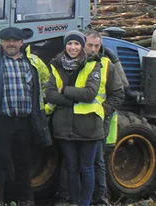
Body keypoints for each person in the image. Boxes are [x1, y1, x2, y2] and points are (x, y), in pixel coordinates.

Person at [45, 31, 112, 206]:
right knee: (72, 168)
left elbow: (90, 94)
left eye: (76, 44)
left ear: (82, 46)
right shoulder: (56, 65)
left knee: (87, 167)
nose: (73, 47)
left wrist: (64, 91)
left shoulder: (93, 64)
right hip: (65, 126)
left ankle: (85, 203)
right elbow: (50, 94)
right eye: (69, 44)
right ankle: (74, 201)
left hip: (89, 126)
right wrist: (74, 97)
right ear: (65, 46)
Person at [0, 27, 50, 206]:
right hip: (3, 122)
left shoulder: (34, 63)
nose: (11, 44)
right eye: (7, 40)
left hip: (26, 122)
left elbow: (47, 85)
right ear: (1, 42)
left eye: (15, 40)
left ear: (22, 43)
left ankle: (26, 200)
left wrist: (44, 109)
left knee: (24, 163)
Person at [83, 30, 125, 206]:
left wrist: (103, 111)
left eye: (96, 46)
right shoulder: (74, 63)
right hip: (78, 121)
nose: (93, 49)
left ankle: (100, 197)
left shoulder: (107, 65)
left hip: (100, 121)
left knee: (98, 160)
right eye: (89, 45)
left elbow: (119, 93)